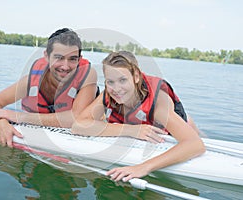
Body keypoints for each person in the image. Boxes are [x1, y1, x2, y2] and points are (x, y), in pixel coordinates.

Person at [71, 51, 205, 182]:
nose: (116, 89)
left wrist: (144, 167)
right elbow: (78, 126)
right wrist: (131, 130)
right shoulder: (109, 94)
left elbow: (195, 144)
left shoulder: (158, 102)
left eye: (122, 80)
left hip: (180, 124)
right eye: (110, 82)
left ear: (136, 76)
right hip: (136, 123)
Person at [0, 28, 98, 147]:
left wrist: (19, 116)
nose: (65, 66)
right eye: (59, 57)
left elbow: (76, 118)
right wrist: (1, 123)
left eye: (72, 59)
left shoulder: (88, 75)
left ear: (79, 59)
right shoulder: (33, 79)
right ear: (47, 56)